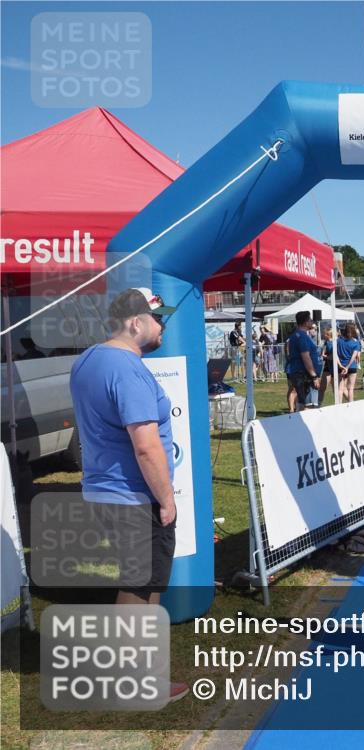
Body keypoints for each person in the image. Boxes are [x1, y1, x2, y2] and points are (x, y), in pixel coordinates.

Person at [69, 287, 188, 702]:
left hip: (105, 490)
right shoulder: (127, 369)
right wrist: (167, 499)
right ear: (136, 322)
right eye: (160, 320)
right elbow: (145, 444)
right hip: (134, 495)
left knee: (139, 583)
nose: (164, 328)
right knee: (140, 589)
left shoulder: (88, 360)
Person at [284, 311, 321, 412]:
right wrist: (313, 376)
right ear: (305, 322)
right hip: (304, 375)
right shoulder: (302, 337)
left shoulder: (295, 335)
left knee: (302, 402)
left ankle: (298, 423)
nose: (312, 322)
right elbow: (306, 357)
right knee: (309, 405)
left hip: (299, 373)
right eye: (310, 320)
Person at [337, 323, 363, 402]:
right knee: (350, 389)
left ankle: (338, 406)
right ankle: (351, 405)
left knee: (340, 389)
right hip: (352, 367)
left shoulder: (339, 341)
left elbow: (336, 354)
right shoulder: (356, 342)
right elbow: (354, 357)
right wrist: (348, 367)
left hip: (341, 366)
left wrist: (341, 366)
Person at [318, 329, 337, 404]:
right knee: (322, 387)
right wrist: (323, 355)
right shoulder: (326, 342)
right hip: (327, 367)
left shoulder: (334, 343)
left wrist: (325, 357)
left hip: (335, 367)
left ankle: (349, 402)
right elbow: (323, 353)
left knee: (336, 388)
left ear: (329, 335)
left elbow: (333, 356)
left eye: (326, 334)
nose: (324, 335)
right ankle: (318, 404)